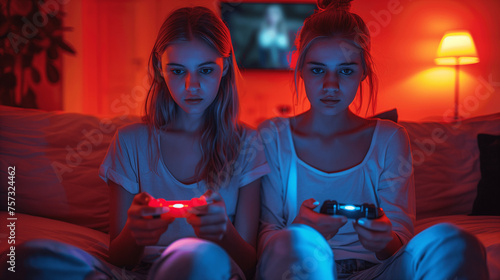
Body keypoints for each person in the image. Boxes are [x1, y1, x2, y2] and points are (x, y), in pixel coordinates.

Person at [7, 6, 268, 280]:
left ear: (224, 66)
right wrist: (134, 232)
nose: (192, 85)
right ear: (159, 67)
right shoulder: (131, 141)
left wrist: (224, 232)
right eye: (178, 71)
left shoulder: (247, 143)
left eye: (205, 70)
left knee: (196, 257)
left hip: (208, 269)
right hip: (142, 273)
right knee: (29, 256)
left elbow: (250, 264)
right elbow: (120, 257)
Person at [256, 0, 489, 279]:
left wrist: (384, 241)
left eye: (345, 70)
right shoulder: (273, 136)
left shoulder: (390, 138)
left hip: (378, 271)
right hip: (301, 270)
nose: (331, 85)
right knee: (297, 242)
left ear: (363, 71)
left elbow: (400, 235)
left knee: (453, 241)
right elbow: (266, 235)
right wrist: (300, 230)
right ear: (301, 69)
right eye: (318, 70)